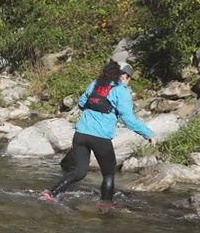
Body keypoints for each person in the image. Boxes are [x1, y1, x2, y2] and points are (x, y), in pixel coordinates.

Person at [41, 60, 154, 210]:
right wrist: (148, 134)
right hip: (100, 139)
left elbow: (82, 102)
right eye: (129, 78)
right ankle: (105, 205)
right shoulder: (121, 91)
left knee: (80, 172)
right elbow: (129, 120)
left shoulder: (96, 83)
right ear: (124, 76)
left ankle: (51, 193)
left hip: (80, 135)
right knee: (108, 174)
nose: (128, 82)